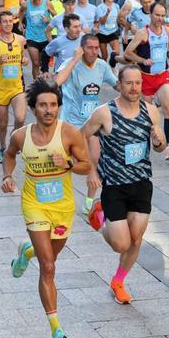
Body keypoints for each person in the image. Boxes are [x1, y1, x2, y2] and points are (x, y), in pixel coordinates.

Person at [1, 78, 91, 338]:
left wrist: (69, 163)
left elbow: (87, 165)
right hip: (34, 203)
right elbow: (9, 154)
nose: (49, 110)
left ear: (58, 107)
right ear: (33, 108)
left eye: (53, 105)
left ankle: (25, 252)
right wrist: (7, 176)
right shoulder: (21, 136)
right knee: (49, 266)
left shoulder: (70, 134)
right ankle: (56, 330)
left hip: (63, 207)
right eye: (43, 105)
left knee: (49, 255)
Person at [81, 65, 167, 304]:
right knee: (121, 244)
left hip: (141, 183)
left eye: (138, 83)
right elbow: (81, 135)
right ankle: (99, 218)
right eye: (129, 83)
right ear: (119, 84)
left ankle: (118, 281)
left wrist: (159, 142)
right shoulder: (104, 113)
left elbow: (160, 146)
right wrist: (90, 169)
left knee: (136, 238)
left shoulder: (151, 111)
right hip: (115, 186)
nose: (134, 88)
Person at [53, 34, 118, 214]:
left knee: (94, 160)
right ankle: (59, 198)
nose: (94, 51)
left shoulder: (102, 66)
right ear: (82, 48)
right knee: (65, 163)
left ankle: (89, 201)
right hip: (70, 124)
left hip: (91, 122)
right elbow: (57, 82)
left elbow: (117, 85)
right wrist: (75, 59)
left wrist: (132, 90)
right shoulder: (70, 63)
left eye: (97, 48)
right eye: (90, 48)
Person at [123, 2, 169, 160]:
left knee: (168, 107)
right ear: (151, 15)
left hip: (162, 75)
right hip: (146, 78)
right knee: (149, 115)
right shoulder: (143, 33)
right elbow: (128, 53)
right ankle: (147, 145)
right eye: (157, 15)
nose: (160, 19)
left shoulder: (167, 31)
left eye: (163, 15)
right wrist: (143, 60)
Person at [0, 11, 29, 163]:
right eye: (5, 21)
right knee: (2, 124)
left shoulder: (20, 39)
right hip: (1, 89)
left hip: (17, 87)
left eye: (10, 21)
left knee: (20, 118)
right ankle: (2, 147)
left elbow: (24, 56)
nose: (8, 24)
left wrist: (25, 60)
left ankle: (13, 143)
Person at [20, 0, 52, 78]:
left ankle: (44, 81)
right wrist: (20, 23)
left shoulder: (47, 3)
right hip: (31, 37)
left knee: (43, 63)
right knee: (36, 63)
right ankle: (36, 84)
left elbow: (56, 17)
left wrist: (48, 20)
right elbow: (21, 12)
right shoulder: (26, 4)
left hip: (44, 37)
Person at [95, 0, 121, 64]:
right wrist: (107, 13)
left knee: (116, 53)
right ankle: (103, 69)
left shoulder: (116, 6)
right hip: (102, 33)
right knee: (104, 56)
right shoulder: (100, 7)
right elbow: (102, 22)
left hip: (113, 32)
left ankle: (112, 64)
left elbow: (119, 19)